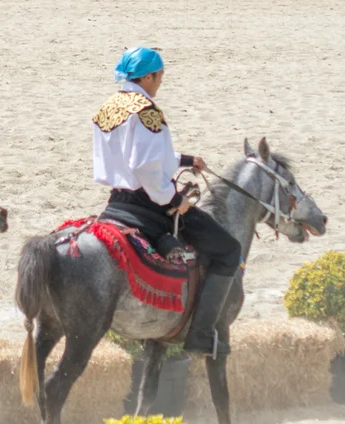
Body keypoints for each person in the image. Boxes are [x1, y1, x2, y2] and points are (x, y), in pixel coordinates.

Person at [91, 46, 243, 356]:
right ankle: (201, 335)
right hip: (149, 204)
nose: (160, 82)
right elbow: (145, 166)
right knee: (229, 250)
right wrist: (174, 198)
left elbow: (139, 156)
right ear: (147, 77)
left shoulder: (108, 108)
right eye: (159, 76)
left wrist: (186, 159)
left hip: (117, 201)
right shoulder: (147, 111)